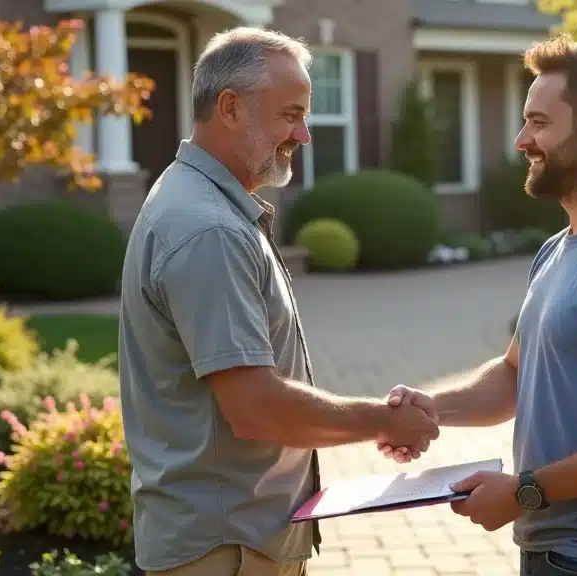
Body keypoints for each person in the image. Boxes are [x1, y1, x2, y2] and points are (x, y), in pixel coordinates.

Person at [380, 34, 577, 575]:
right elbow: (515, 373)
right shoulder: (562, 248)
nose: (520, 140)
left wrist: (523, 493)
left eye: (538, 122)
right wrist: (430, 410)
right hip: (558, 552)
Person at [118, 27, 439, 576]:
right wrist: (383, 423)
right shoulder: (209, 229)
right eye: (291, 114)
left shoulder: (200, 203)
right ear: (230, 108)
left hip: (230, 542)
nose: (305, 135)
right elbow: (256, 406)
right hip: (225, 550)